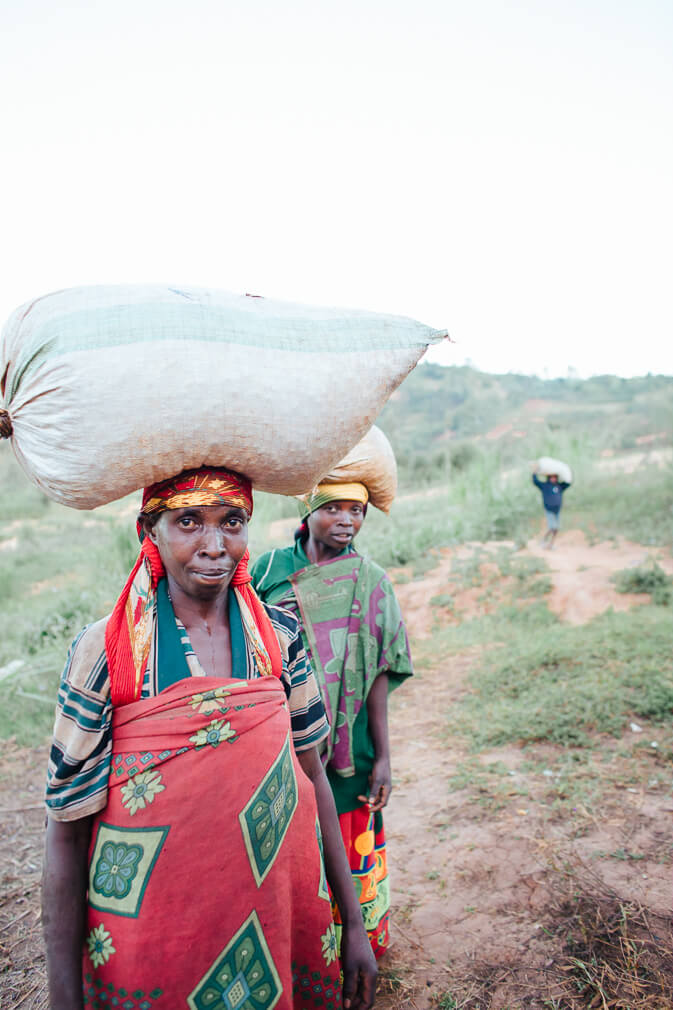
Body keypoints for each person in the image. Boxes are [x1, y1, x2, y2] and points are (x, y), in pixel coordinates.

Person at [42, 467, 377, 1010]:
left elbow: (312, 778)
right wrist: (64, 999)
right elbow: (65, 830)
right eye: (189, 522)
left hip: (271, 924)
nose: (215, 545)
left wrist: (353, 925)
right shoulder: (107, 654)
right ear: (149, 531)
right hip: (150, 940)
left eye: (232, 522)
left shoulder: (279, 639)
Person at [251, 482, 412, 959]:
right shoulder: (268, 571)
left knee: (349, 835)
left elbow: (381, 671)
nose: (347, 520)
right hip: (283, 740)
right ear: (307, 509)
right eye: (334, 508)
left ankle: (357, 946)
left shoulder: (372, 580)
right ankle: (305, 953)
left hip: (353, 744)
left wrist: (383, 757)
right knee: (293, 845)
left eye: (357, 511)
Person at [532, 465, 570, 548]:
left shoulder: (559, 486)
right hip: (549, 509)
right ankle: (543, 540)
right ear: (549, 478)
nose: (553, 479)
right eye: (552, 477)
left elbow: (568, 482)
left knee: (556, 529)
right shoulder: (545, 486)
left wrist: (568, 473)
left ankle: (550, 544)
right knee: (552, 527)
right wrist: (534, 472)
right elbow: (535, 481)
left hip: (557, 510)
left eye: (555, 477)